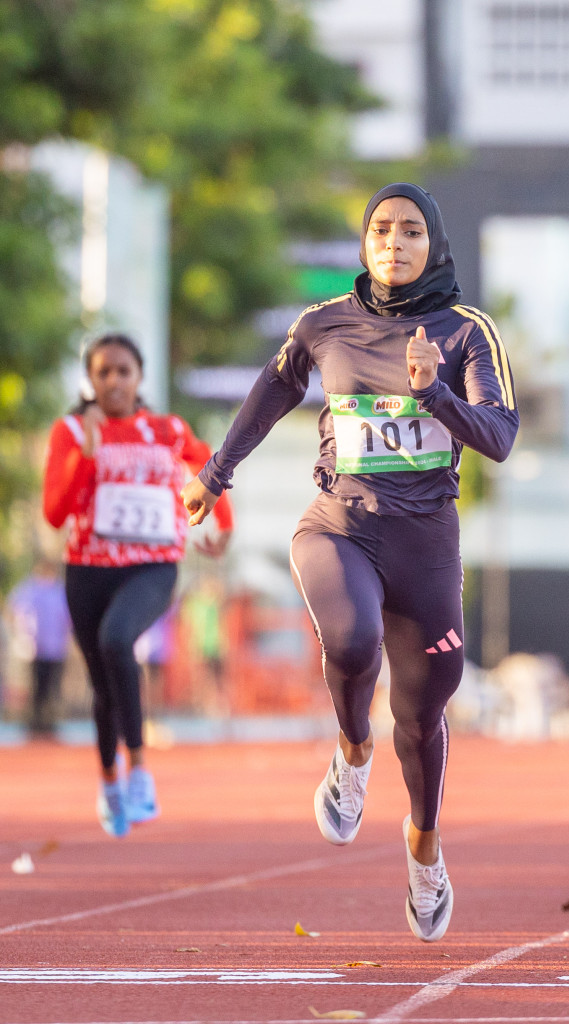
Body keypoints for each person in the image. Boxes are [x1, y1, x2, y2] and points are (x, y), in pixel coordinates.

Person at [181, 183, 517, 942]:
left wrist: (435, 395)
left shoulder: (466, 332)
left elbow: (499, 437)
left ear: (434, 244)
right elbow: (272, 389)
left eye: (408, 232)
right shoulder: (324, 323)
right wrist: (213, 473)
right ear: (364, 245)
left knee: (423, 714)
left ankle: (425, 847)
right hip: (340, 524)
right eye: (379, 231)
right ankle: (350, 750)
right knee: (352, 639)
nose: (392, 244)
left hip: (427, 549)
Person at [42, 333, 235, 836]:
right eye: (102, 372)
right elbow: (54, 512)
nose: (113, 381)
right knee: (103, 684)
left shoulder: (167, 429)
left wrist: (225, 522)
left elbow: (210, 465)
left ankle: (141, 771)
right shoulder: (69, 430)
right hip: (87, 570)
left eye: (122, 371)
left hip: (153, 565)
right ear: (91, 380)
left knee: (116, 639)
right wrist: (85, 453)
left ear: (139, 377)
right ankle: (110, 782)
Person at [5, 557, 71, 738]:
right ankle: (34, 722)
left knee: (52, 686)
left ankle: (49, 722)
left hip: (56, 647)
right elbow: (13, 608)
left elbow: (67, 618)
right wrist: (22, 635)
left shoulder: (59, 591)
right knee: (36, 685)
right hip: (35, 648)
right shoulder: (29, 589)